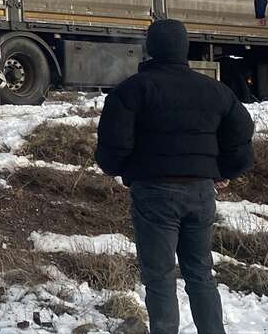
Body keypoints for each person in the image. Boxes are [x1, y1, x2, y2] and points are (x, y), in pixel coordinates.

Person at [95, 19, 254, 334]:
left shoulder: (133, 90)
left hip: (153, 193)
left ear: (150, 48)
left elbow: (114, 146)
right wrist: (220, 171)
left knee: (160, 278)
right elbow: (242, 138)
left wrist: (125, 171)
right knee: (201, 274)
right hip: (200, 194)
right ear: (185, 48)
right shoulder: (216, 91)